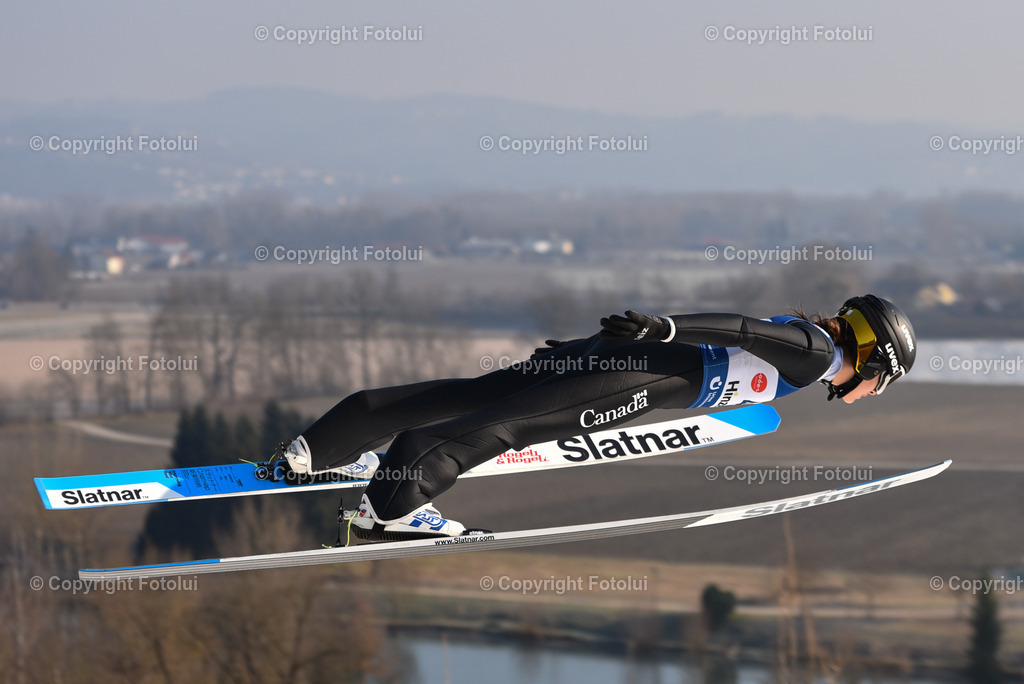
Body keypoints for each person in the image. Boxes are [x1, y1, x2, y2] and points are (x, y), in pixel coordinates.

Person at [281, 294, 916, 539]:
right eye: (884, 383)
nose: (875, 393)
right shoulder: (816, 352)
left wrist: (606, 344)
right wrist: (666, 324)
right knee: (507, 426)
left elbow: (738, 334)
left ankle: (323, 446)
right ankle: (390, 507)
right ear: (873, 360)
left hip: (622, 357)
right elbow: (741, 327)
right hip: (632, 377)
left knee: (478, 396)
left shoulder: (811, 344)